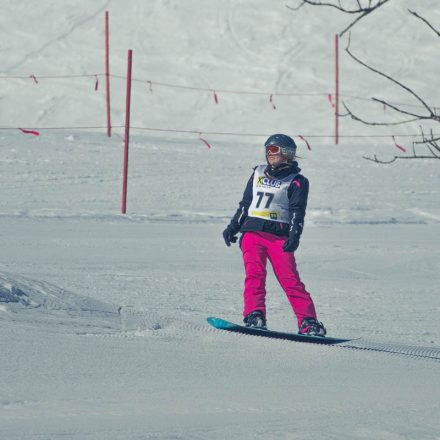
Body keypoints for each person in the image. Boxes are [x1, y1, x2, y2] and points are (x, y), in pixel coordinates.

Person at [222, 134, 326, 336]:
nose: (269, 154)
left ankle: (308, 322)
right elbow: (245, 204)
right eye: (267, 150)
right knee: (255, 275)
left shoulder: (297, 181)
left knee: (290, 280)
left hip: (279, 238)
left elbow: (297, 212)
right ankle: (254, 315)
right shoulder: (258, 172)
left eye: (274, 150)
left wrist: (294, 236)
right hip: (252, 234)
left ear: (287, 153)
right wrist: (233, 227)